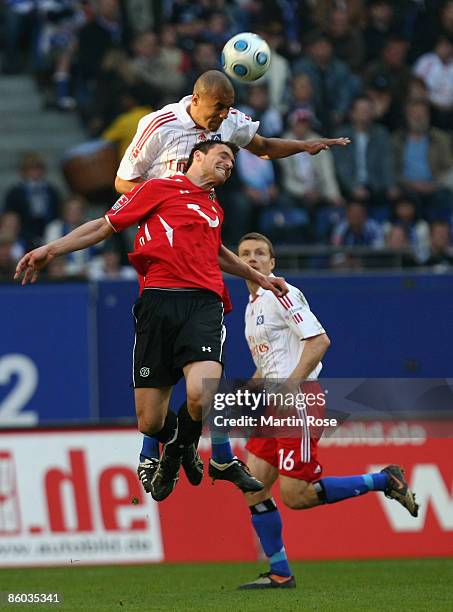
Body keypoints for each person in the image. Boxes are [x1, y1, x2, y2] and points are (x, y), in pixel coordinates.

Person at [113, 69, 350, 495]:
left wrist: (305, 147)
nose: (223, 117)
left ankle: (207, 453)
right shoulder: (159, 124)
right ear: (197, 98)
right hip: (163, 246)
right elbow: (123, 181)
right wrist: (166, 202)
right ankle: (162, 450)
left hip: (202, 245)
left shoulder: (230, 122)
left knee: (204, 373)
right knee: (165, 373)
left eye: (227, 108)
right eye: (217, 108)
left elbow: (261, 147)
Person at [14, 140, 287, 503]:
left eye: (234, 161)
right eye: (224, 156)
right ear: (198, 157)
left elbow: (217, 252)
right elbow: (102, 226)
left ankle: (174, 456)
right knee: (150, 422)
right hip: (158, 304)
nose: (230, 164)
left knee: (200, 389)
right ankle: (183, 447)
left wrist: (264, 279)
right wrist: (51, 249)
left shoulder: (213, 206)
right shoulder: (158, 189)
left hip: (203, 302)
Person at [235, 232, 419, 589]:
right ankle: (279, 572)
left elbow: (319, 341)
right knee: (252, 483)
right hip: (276, 406)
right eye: (245, 254)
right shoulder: (252, 304)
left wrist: (291, 385)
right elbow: (271, 361)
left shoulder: (280, 292)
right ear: (237, 263)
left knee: (296, 495)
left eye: (261, 253)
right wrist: (247, 388)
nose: (253, 258)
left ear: (272, 263)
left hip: (298, 401)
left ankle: (384, 479)